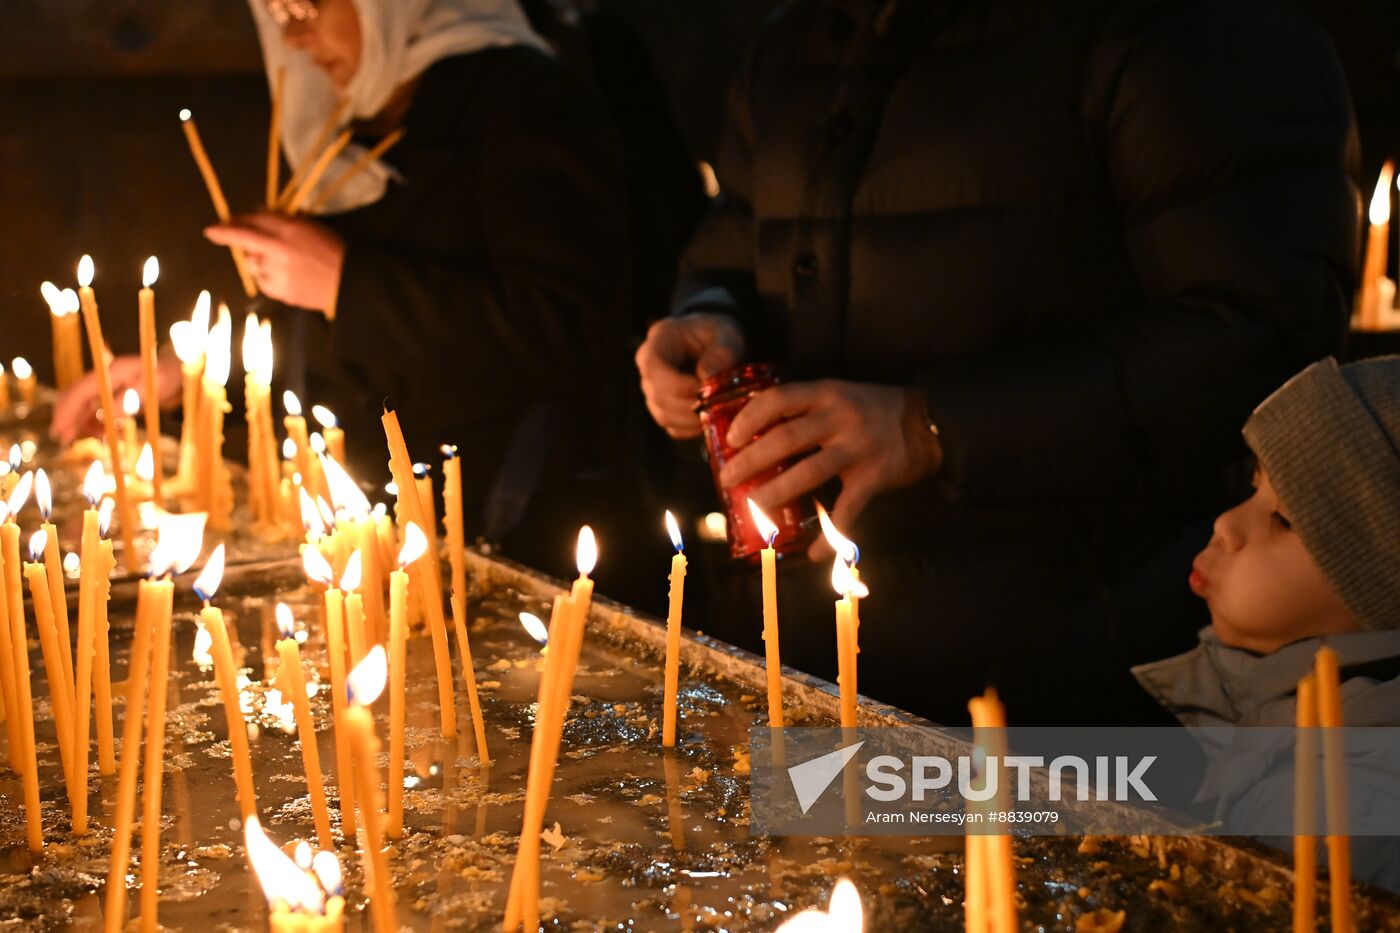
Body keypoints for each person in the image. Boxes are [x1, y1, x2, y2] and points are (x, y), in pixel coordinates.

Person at [634, 0, 1361, 725]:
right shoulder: (801, 39)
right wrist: (710, 319)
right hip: (818, 646)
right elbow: (738, 236)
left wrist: (932, 425)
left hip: (1072, 666)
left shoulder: (1183, 30)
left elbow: (1260, 334)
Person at [54, 0, 652, 597]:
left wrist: (346, 281)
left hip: (509, 544)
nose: (295, 38)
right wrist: (189, 378)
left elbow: (572, 333)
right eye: (274, 15)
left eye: (303, 5)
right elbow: (310, 327)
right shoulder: (347, 111)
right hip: (359, 535)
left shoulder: (529, 99)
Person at [1132, 356, 1400, 892]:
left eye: (1284, 520)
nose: (1226, 524)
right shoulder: (1283, 725)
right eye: (1253, 487)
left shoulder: (1347, 814)